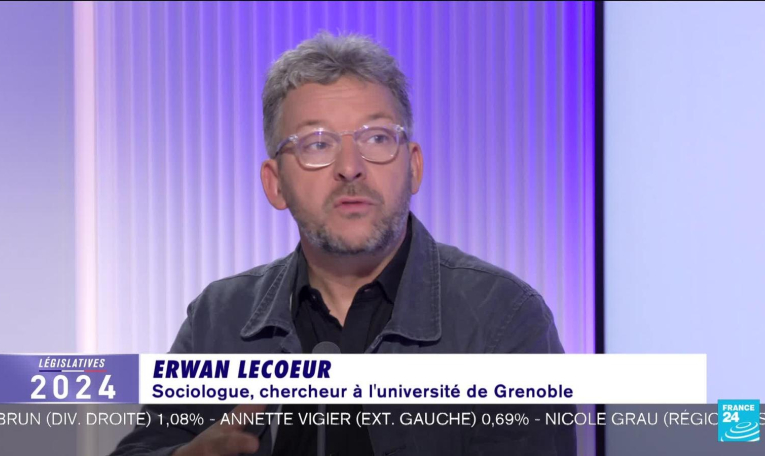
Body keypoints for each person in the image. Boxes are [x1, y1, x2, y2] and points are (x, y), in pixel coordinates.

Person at [112, 31, 575, 456]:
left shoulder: (503, 320)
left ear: (414, 167)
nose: (350, 167)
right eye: (317, 144)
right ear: (275, 184)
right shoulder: (219, 319)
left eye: (377, 138)